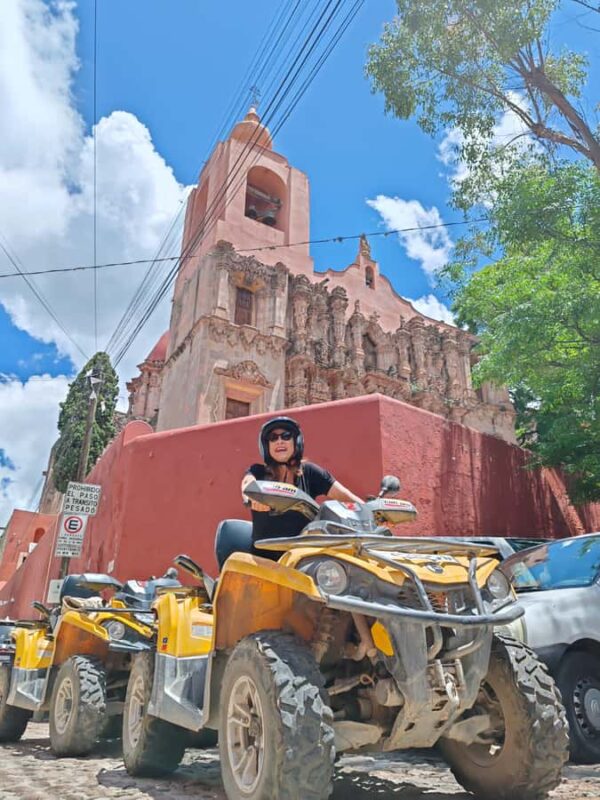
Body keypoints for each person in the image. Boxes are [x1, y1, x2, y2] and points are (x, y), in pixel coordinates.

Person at [241, 416, 361, 558]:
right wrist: (252, 497)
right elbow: (247, 484)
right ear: (267, 446)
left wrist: (374, 514)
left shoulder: (310, 472)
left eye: (286, 436)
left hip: (304, 559)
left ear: (296, 442)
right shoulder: (258, 472)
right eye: (273, 438)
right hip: (264, 560)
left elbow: (348, 498)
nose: (279, 441)